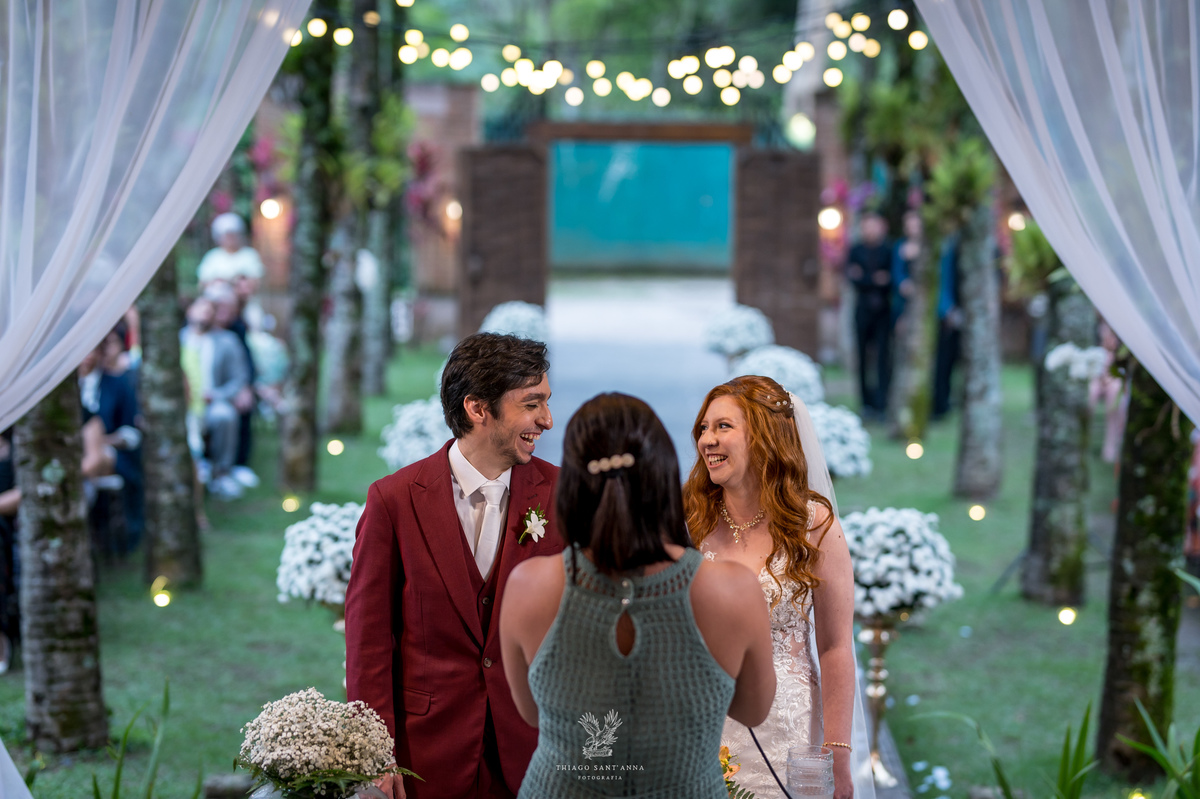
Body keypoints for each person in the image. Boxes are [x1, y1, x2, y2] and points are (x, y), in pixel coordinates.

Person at [500, 393, 776, 799]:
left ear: (573, 485)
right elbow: (753, 710)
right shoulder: (733, 590)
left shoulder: (528, 585)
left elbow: (532, 712)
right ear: (664, 476)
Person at [346, 333, 562, 799]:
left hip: (534, 757)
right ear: (478, 408)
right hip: (425, 759)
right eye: (532, 404)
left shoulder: (565, 497)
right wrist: (373, 754)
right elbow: (368, 641)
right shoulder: (394, 501)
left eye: (546, 402)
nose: (547, 419)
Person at [684, 375, 874, 799]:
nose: (707, 440)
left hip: (788, 734)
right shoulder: (690, 519)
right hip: (698, 726)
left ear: (765, 436)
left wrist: (838, 753)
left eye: (723, 427)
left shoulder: (813, 524)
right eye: (704, 428)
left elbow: (835, 646)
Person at [179, 294, 250, 500]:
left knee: (224, 416)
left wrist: (216, 395)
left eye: (209, 311)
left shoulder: (227, 341)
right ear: (189, 311)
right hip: (183, 404)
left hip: (213, 401)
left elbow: (238, 379)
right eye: (200, 309)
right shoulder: (177, 340)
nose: (204, 315)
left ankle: (222, 473)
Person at [846, 213, 894, 420]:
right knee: (863, 358)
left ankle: (882, 403)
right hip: (863, 311)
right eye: (867, 226)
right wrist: (875, 279)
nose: (870, 230)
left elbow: (890, 280)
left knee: (883, 358)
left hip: (883, 312)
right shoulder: (856, 250)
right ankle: (866, 403)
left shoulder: (888, 250)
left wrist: (866, 277)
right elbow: (853, 278)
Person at [196, 212, 264, 288]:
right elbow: (202, 283)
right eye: (227, 236)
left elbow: (257, 281)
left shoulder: (250, 255)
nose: (230, 239)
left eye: (233, 235)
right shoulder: (212, 256)